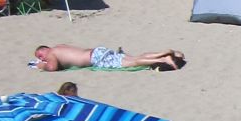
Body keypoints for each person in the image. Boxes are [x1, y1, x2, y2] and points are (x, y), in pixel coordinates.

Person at [33, 44, 186, 72]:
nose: (42, 58)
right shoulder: (60, 46)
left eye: (40, 56)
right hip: (98, 51)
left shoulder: (51, 54)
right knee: (134, 58)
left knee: (133, 62)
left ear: (44, 50)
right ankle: (163, 53)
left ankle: (162, 58)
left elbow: (52, 67)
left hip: (95, 59)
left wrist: (41, 66)